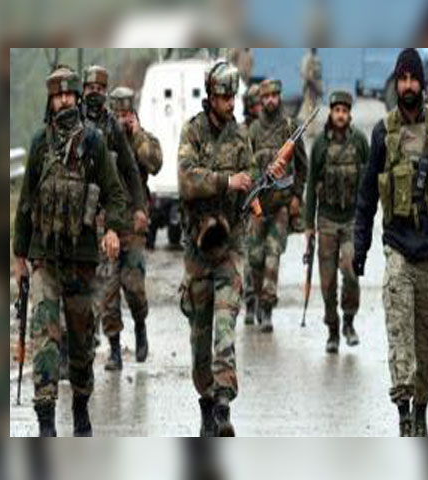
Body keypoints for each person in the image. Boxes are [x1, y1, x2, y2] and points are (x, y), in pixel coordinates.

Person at [353, 49, 428, 436]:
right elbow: (366, 196)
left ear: (422, 83)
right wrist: (360, 247)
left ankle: (421, 413)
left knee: (427, 344)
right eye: (402, 78)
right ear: (396, 83)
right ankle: (404, 414)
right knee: (399, 334)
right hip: (399, 251)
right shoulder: (383, 132)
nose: (408, 86)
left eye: (413, 79)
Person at [12, 66, 126, 436]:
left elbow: (115, 193)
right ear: (50, 100)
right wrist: (19, 257)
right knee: (45, 338)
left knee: (80, 342)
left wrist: (112, 228)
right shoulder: (39, 143)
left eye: (68, 95)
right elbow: (26, 202)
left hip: (81, 259)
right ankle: (45, 420)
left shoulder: (93, 143)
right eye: (57, 96)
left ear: (77, 98)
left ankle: (80, 405)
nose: (63, 101)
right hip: (44, 257)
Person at [177, 61, 254, 436]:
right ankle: (207, 402)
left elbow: (250, 178)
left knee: (225, 325)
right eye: (224, 97)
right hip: (198, 250)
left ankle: (223, 405)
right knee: (200, 337)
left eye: (233, 97)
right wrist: (227, 181)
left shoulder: (240, 136)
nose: (230, 103)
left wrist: (254, 188)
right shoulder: (192, 131)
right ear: (210, 96)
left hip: (230, 248)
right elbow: (186, 180)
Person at [81, 66, 150, 369]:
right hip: (100, 220)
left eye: (100, 88)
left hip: (128, 221)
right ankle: (114, 350)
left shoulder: (114, 129)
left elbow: (133, 172)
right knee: (108, 290)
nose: (94, 93)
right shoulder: (77, 125)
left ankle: (140, 326)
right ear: (83, 90)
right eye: (90, 88)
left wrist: (140, 208)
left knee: (133, 287)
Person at [304, 90, 369, 354]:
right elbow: (311, 185)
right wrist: (308, 226)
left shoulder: (360, 141)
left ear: (349, 114)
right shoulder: (320, 144)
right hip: (327, 220)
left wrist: (367, 219)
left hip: (352, 220)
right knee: (327, 282)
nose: (340, 115)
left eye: (344, 111)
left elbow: (369, 181)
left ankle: (349, 321)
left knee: (351, 271)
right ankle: (332, 329)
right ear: (331, 113)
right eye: (336, 110)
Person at [245, 78, 307, 332]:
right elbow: (243, 166)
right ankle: (252, 298)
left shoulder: (289, 128)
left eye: (274, 95)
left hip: (280, 206)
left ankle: (267, 308)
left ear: (280, 97)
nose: (271, 100)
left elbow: (302, 166)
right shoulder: (252, 131)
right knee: (255, 258)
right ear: (261, 100)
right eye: (266, 96)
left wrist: (296, 196)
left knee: (272, 255)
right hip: (257, 207)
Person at [298, 48, 323, 137]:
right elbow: (306, 75)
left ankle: (313, 130)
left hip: (315, 87)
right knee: (309, 110)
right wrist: (313, 85)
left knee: (313, 109)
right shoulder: (307, 59)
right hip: (310, 88)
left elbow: (318, 74)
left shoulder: (316, 59)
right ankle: (309, 131)